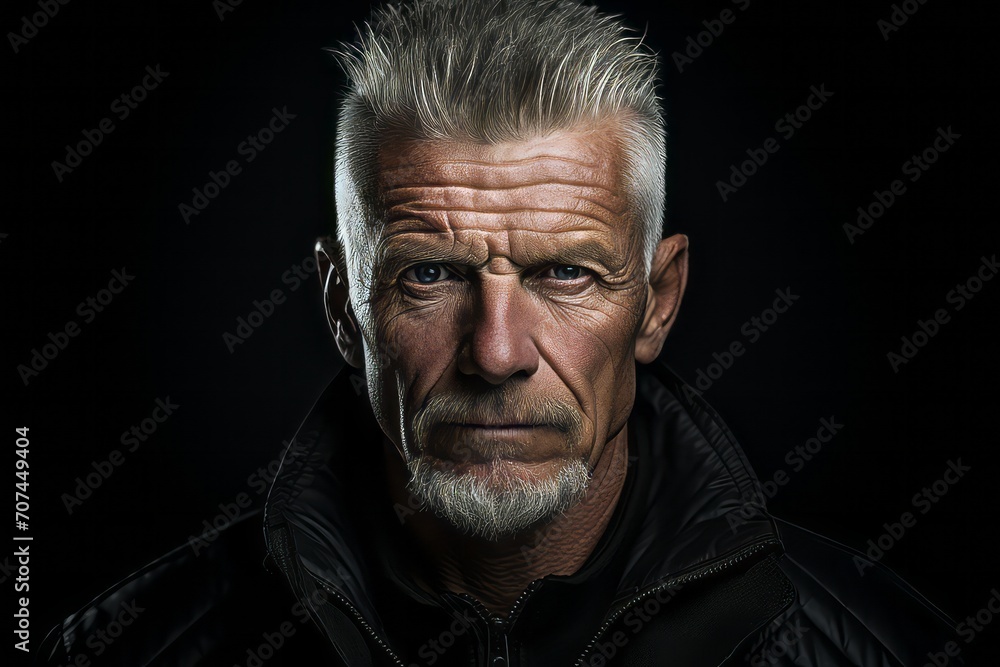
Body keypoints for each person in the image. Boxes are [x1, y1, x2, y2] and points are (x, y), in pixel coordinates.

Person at [40, 1, 964, 665]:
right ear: (340, 306)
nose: (496, 352)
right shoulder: (131, 645)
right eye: (428, 274)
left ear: (659, 300)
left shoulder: (880, 645)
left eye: (564, 272)